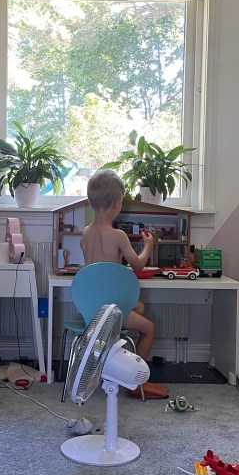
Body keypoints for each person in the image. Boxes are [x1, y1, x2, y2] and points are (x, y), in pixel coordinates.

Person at [80, 169, 168, 398]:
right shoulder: (118, 235)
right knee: (149, 328)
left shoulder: (86, 234)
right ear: (117, 203)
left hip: (91, 310)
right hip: (111, 311)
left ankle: (116, 357)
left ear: (91, 201)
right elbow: (138, 265)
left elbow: (95, 273)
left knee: (140, 307)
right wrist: (148, 246)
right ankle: (134, 381)